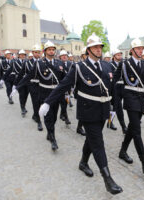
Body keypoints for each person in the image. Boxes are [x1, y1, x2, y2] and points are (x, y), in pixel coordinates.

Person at [39, 33, 123, 195]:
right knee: (98, 143)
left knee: (91, 140)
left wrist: (113, 107)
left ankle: (83, 163)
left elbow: (110, 89)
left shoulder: (106, 66)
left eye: (100, 47)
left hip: (103, 111)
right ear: (88, 50)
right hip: (88, 112)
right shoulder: (79, 67)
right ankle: (108, 179)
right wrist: (48, 103)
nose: (99, 50)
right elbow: (63, 86)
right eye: (95, 47)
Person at [113, 38, 144, 176]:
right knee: (137, 131)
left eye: (141, 49)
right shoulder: (125, 64)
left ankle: (122, 151)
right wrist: (114, 98)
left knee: (132, 128)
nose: (140, 51)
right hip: (130, 99)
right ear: (132, 51)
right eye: (137, 49)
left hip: (141, 99)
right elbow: (115, 80)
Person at [111, 49, 127, 134]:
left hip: (123, 87)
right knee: (118, 107)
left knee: (117, 107)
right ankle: (123, 126)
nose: (120, 57)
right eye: (117, 55)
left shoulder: (124, 64)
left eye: (120, 55)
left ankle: (110, 121)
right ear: (114, 56)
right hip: (115, 87)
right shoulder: (110, 65)